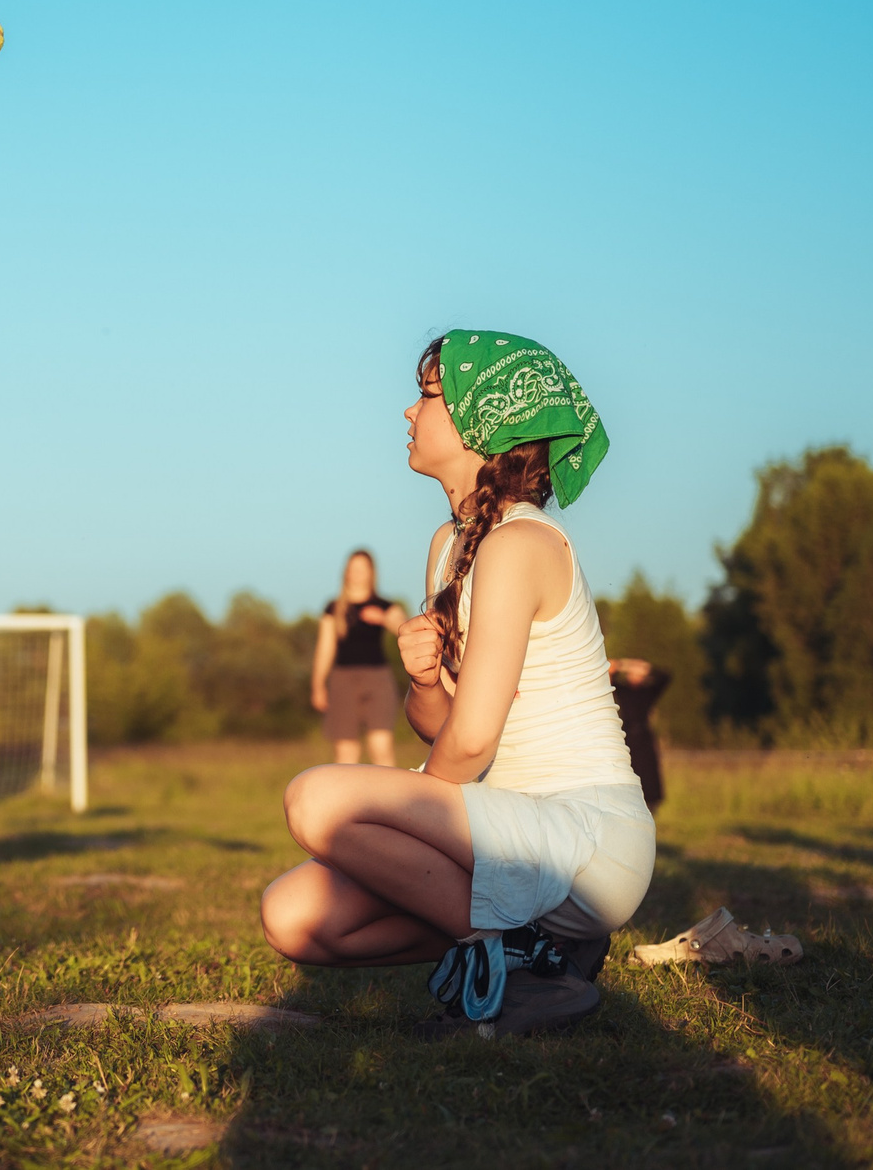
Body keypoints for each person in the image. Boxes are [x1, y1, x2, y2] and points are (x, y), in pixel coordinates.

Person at [259, 331, 652, 1040]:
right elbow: (443, 725)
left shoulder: (520, 544)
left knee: (317, 798)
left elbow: (470, 746)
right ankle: (530, 954)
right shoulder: (451, 545)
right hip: (503, 826)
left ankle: (526, 964)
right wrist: (421, 679)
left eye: (429, 396)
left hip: (587, 838)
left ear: (485, 421)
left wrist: (393, 821)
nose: (409, 412)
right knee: (291, 914)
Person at [310, 550, 407, 765]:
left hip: (378, 680)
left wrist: (383, 619)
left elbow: (405, 628)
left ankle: (388, 799)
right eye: (352, 568)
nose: (356, 574)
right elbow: (325, 649)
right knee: (346, 755)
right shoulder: (333, 609)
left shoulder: (385, 605)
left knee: (380, 748)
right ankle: (349, 799)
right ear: (346, 572)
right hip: (342, 681)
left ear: (371, 573)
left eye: (361, 569)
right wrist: (317, 685)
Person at [608, 658, 671, 811]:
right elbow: (609, 673)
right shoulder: (622, 689)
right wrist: (625, 665)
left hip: (644, 737)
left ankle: (649, 805)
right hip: (626, 736)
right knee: (627, 769)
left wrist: (645, 667)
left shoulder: (648, 691)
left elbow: (665, 677)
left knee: (648, 773)